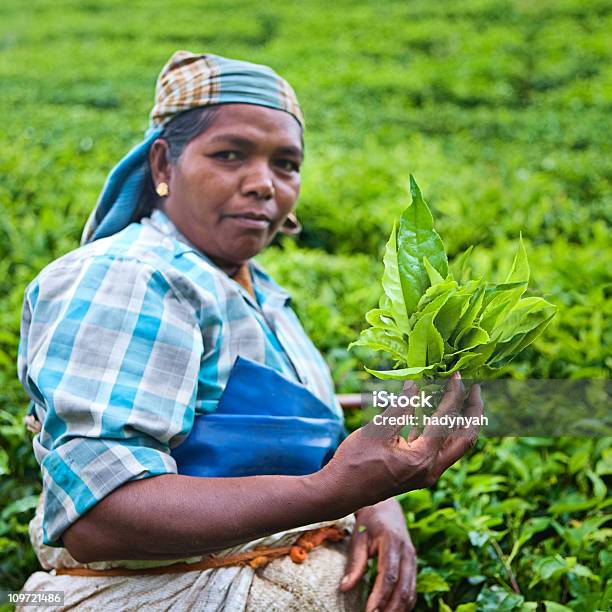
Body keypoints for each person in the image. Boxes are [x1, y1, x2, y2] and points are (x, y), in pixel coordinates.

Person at [17, 51, 483, 611]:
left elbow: (240, 419)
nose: (263, 184)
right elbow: (100, 518)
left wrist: (377, 501)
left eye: (285, 164)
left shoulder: (251, 285)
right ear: (163, 166)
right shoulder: (131, 276)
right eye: (230, 154)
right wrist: (333, 491)